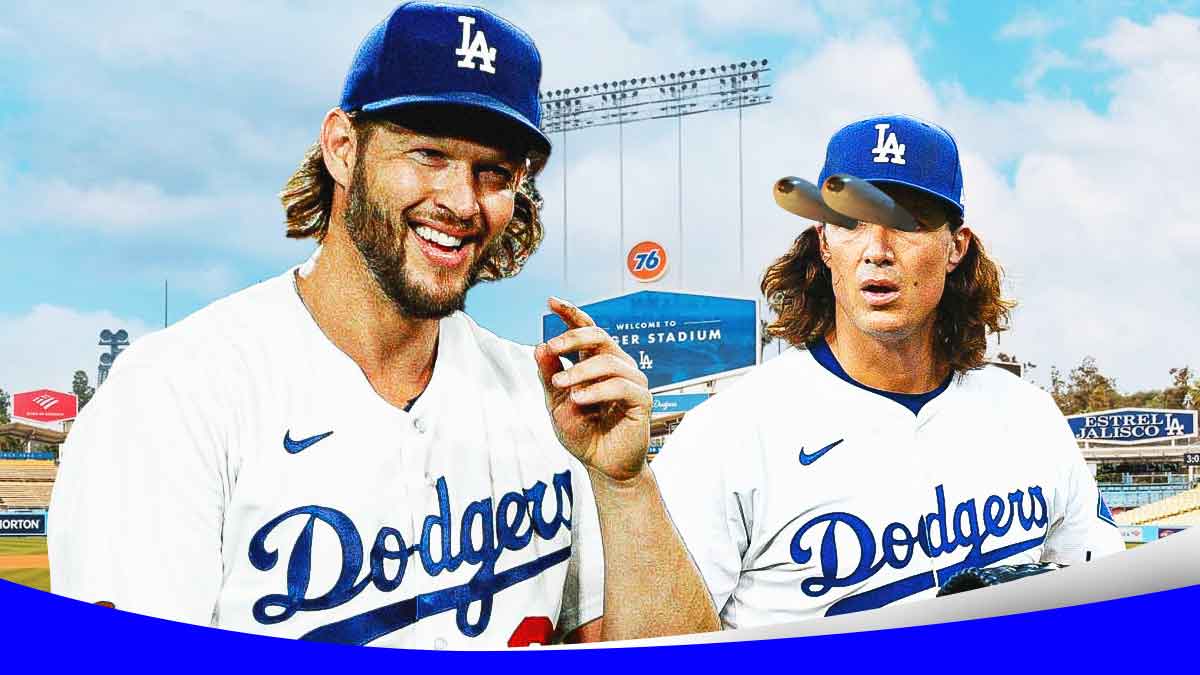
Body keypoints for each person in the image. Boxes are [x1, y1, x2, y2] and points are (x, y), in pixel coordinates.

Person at [49, 2, 715, 648]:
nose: (460, 201)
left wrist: (627, 485)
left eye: (494, 172)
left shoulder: (545, 402)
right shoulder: (176, 394)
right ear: (342, 147)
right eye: (428, 154)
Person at [648, 114, 1125, 627]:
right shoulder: (726, 437)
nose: (877, 251)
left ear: (955, 247)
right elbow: (658, 645)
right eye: (850, 223)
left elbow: (1110, 601)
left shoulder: (1028, 415)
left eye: (907, 222)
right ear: (824, 242)